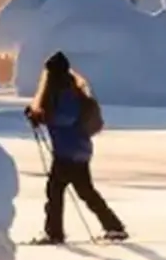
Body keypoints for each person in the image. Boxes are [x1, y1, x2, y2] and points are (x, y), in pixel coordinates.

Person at [24, 51, 128, 244]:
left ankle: (55, 233)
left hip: (69, 152)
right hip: (78, 151)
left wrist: (43, 117)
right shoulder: (70, 89)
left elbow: (67, 118)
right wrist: (40, 116)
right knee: (84, 191)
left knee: (56, 190)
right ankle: (114, 227)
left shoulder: (64, 92)